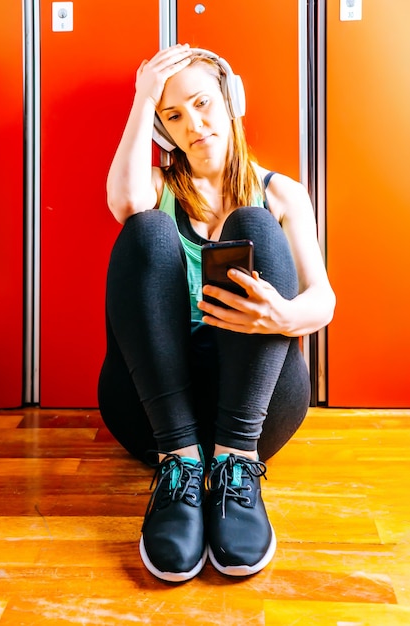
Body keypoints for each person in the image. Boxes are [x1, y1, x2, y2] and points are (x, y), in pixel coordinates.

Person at [98, 44, 336, 583]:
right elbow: (124, 202)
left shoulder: (284, 194)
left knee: (254, 223)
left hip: (253, 411)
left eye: (203, 104)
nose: (194, 125)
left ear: (231, 101)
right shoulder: (156, 189)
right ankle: (179, 465)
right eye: (174, 116)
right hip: (157, 414)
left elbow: (323, 299)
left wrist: (281, 315)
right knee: (145, 229)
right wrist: (143, 96)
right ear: (162, 129)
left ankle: (233, 467)